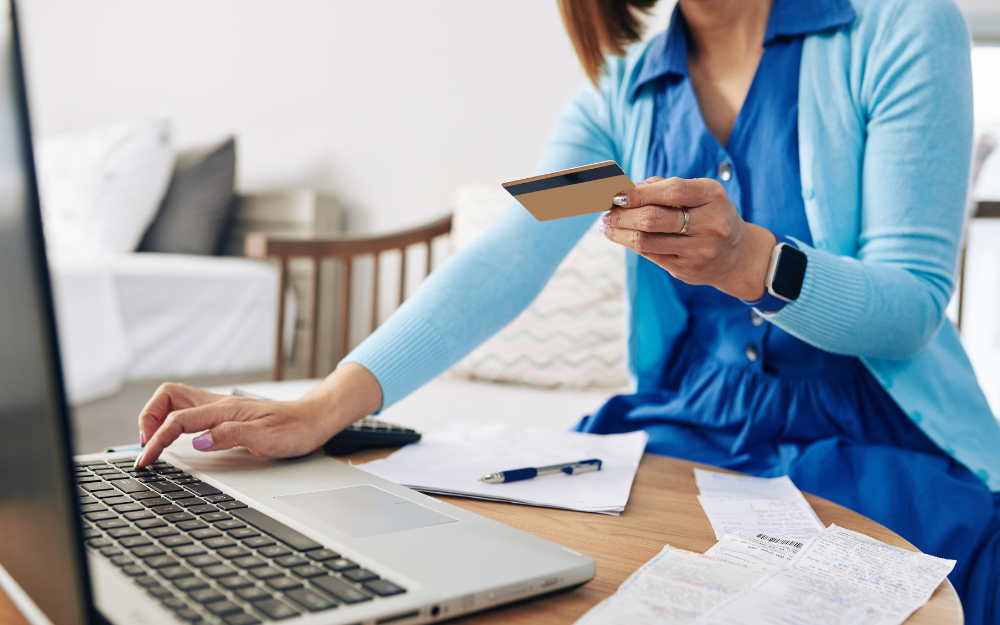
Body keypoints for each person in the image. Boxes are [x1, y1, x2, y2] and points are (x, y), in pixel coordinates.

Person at [135, 0, 1000, 620]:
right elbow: (506, 254)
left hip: (876, 435)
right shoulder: (621, 92)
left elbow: (910, 309)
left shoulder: (899, 27)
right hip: (680, 431)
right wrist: (324, 404)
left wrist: (752, 262)